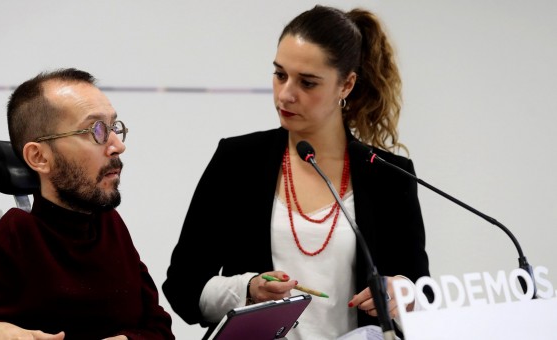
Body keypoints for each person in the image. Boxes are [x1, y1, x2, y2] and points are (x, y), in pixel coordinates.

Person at [163, 5, 430, 339]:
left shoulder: (389, 176)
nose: (285, 94)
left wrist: (402, 294)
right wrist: (248, 289)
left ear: (346, 85)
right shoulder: (237, 161)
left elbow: (421, 294)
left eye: (307, 82)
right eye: (279, 75)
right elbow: (182, 288)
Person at [0, 68, 175, 340]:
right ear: (39, 157)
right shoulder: (20, 233)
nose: (117, 146)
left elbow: (158, 327)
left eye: (113, 127)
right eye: (96, 130)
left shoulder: (109, 224)